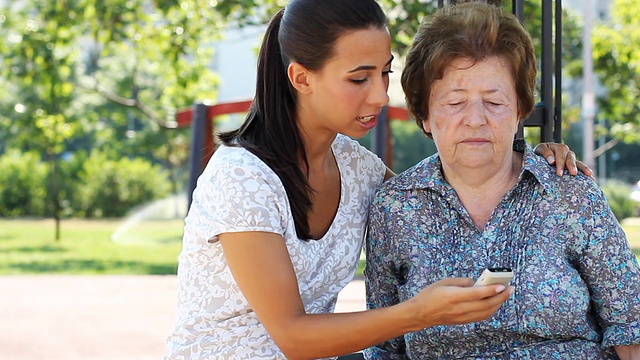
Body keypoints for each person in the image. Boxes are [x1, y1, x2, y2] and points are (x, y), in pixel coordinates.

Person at [164, 0, 590, 358]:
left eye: (384, 73)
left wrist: (530, 160)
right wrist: (419, 313)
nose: (380, 95)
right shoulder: (240, 177)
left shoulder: (357, 167)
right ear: (300, 78)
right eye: (358, 78)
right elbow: (292, 337)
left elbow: (446, 188)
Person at [364, 2, 640, 359]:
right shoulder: (395, 208)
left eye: (494, 102)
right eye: (455, 103)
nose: (475, 119)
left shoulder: (570, 193)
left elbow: (631, 328)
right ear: (425, 115)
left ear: (520, 110)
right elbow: (383, 346)